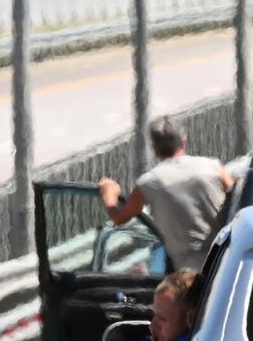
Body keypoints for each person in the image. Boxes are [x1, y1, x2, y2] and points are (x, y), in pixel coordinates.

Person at [100, 116, 233, 272]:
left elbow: (119, 218)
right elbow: (237, 196)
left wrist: (108, 195)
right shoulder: (213, 167)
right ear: (183, 141)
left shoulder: (149, 183)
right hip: (229, 258)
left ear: (155, 149)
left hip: (191, 273)